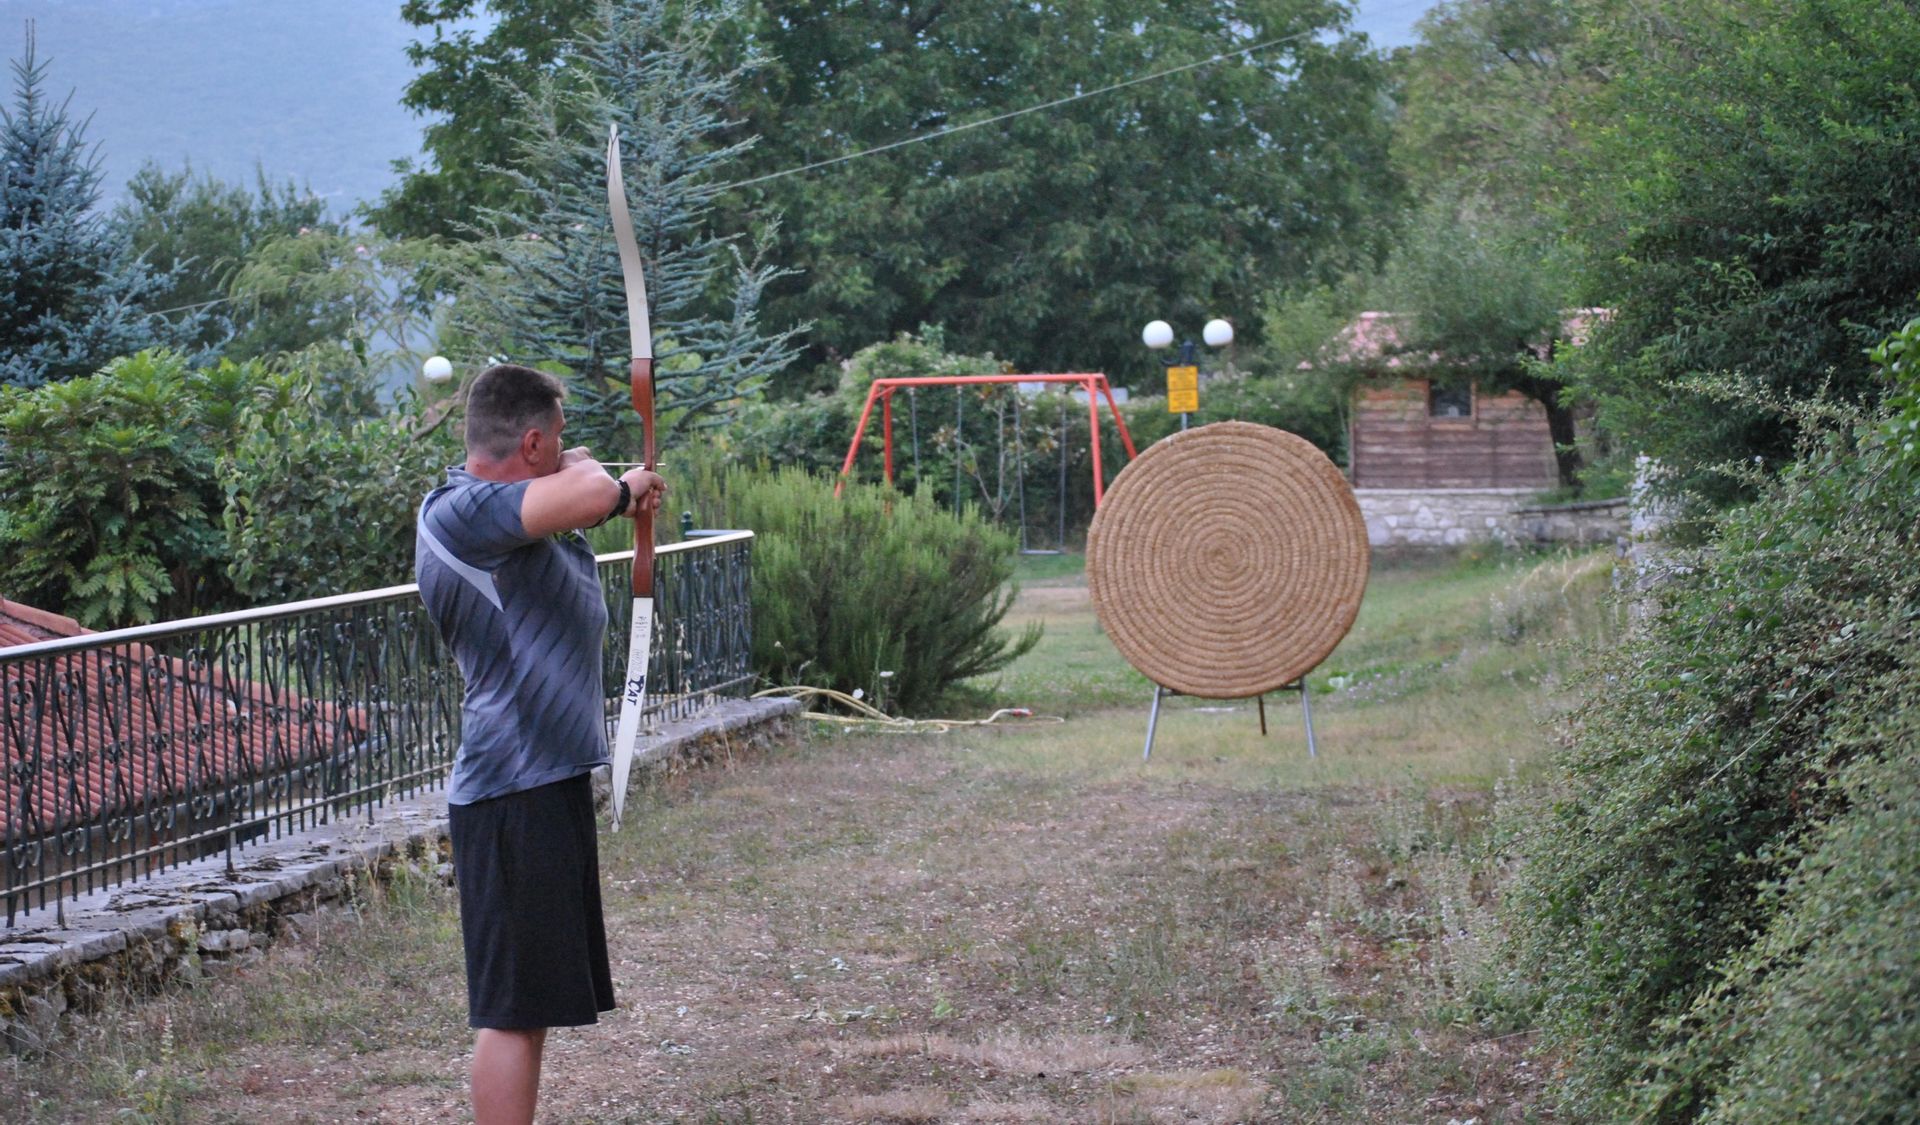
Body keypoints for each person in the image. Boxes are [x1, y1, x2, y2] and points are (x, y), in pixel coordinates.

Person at [414, 363, 664, 1125]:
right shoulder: (462, 513)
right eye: (551, 443)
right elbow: (591, 489)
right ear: (529, 442)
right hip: (509, 789)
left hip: (539, 783)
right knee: (510, 1010)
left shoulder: (511, 517)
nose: (564, 453)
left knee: (533, 1005)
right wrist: (622, 488)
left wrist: (597, 476)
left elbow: (580, 477)